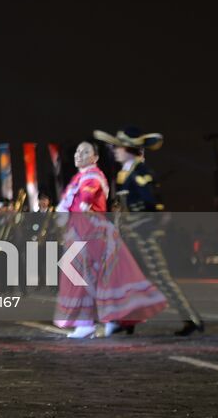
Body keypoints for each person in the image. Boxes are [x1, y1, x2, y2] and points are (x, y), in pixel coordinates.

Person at [96, 126, 205, 336]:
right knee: (125, 279)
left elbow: (153, 205)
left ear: (130, 149)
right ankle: (126, 321)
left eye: (119, 147)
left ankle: (191, 318)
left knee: (161, 277)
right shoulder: (124, 173)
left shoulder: (140, 173)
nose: (115, 151)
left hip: (143, 233)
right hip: (128, 234)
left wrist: (146, 227)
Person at [53, 141, 167, 338]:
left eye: (85, 151)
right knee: (98, 278)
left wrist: (81, 207)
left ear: (95, 157)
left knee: (90, 276)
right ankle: (110, 320)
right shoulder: (79, 178)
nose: (79, 154)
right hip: (81, 230)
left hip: (91, 231)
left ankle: (87, 322)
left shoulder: (93, 176)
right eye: (77, 151)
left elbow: (87, 198)